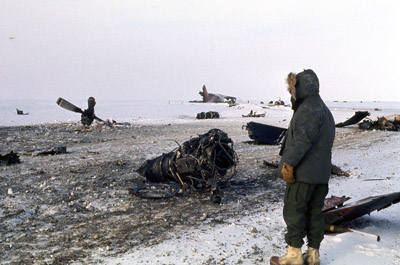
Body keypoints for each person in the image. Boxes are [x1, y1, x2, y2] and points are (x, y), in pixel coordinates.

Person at [270, 69, 335, 265]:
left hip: (303, 174)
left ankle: (294, 256)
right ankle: (313, 255)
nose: (292, 93)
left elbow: (301, 140)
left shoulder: (309, 108)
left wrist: (288, 164)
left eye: (294, 88)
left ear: (301, 86)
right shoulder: (325, 109)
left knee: (294, 211)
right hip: (321, 175)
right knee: (315, 213)